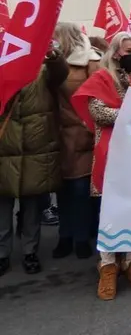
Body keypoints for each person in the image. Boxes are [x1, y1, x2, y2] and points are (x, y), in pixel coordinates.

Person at [71, 31, 131, 300]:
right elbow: (99, 113)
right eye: (128, 51)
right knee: (111, 210)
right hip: (112, 151)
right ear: (115, 52)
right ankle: (108, 265)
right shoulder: (102, 77)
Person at [0, 41, 68, 277]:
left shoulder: (41, 70)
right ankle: (2, 254)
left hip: (36, 149)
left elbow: (60, 74)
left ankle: (30, 252)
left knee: (31, 207)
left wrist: (53, 55)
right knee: (2, 207)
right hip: (4, 149)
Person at [52, 23, 102, 260]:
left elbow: (99, 96)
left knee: (80, 189)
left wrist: (88, 124)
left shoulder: (91, 60)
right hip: (55, 133)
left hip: (82, 134)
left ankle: (81, 238)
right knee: (62, 190)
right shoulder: (50, 61)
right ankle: (65, 236)